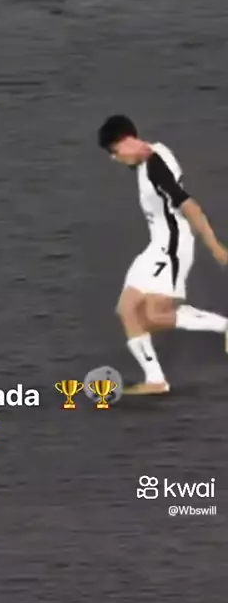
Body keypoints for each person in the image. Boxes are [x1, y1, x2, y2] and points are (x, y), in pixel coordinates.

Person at [97, 114, 228, 395]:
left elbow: (189, 205)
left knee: (154, 315)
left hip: (172, 247)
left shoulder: (155, 165)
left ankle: (224, 326)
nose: (115, 159)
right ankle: (155, 380)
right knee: (128, 310)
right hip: (156, 245)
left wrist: (214, 246)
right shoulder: (147, 159)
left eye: (115, 151)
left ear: (127, 141)